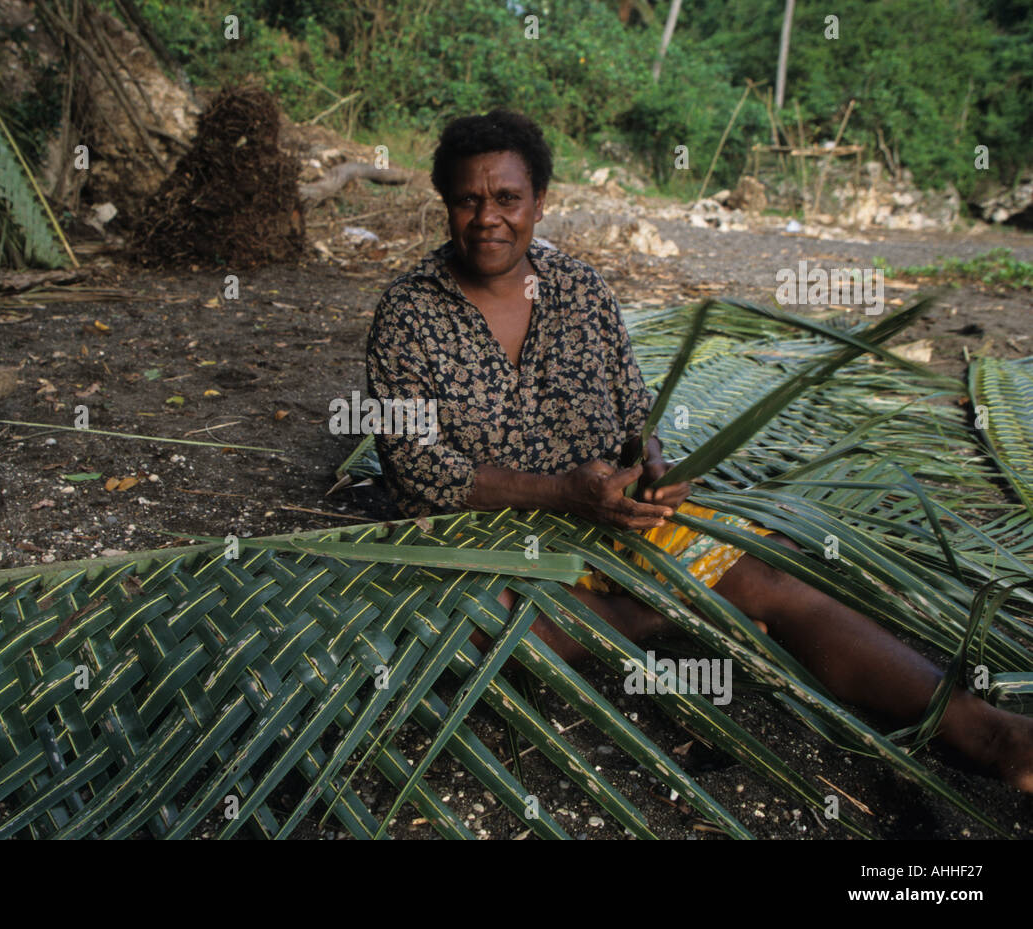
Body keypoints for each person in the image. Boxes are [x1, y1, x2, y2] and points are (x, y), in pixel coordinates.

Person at [365, 108, 1033, 793]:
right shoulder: (408, 314)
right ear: (445, 205)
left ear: (539, 201)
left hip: (610, 518)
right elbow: (416, 469)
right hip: (483, 537)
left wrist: (653, 462)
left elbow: (635, 412)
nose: (488, 218)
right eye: (468, 200)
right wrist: (560, 491)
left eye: (507, 198)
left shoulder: (581, 291)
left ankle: (987, 730)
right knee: (466, 628)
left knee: (777, 574)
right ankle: (647, 614)